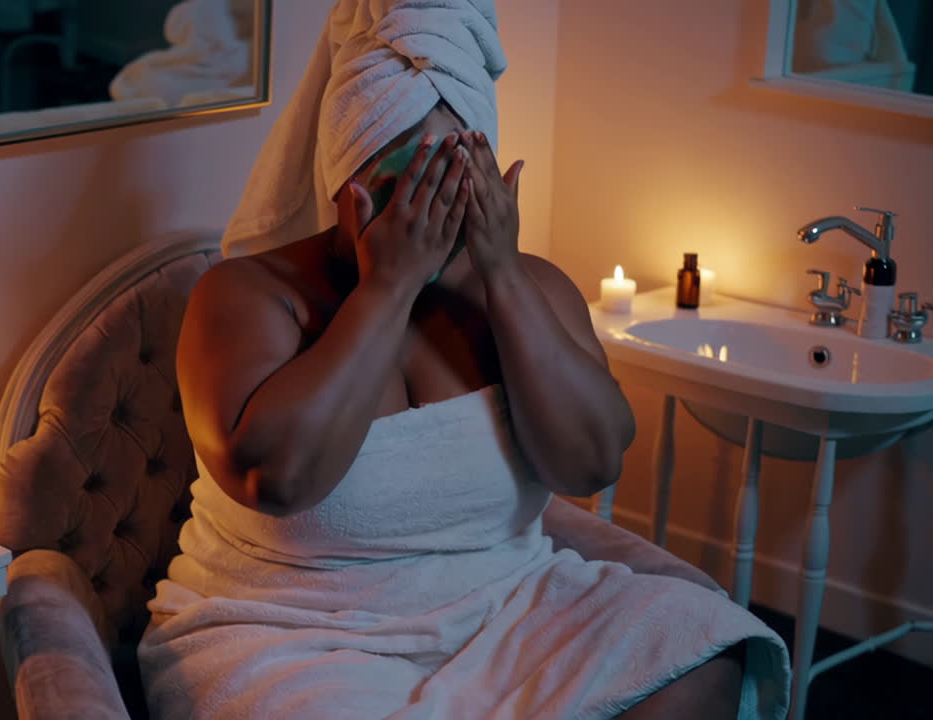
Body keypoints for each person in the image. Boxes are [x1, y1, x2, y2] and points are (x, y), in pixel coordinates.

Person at [138, 2, 791, 718]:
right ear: (345, 188)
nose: (432, 212)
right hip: (291, 630)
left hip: (503, 607)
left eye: (453, 179)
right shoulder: (250, 294)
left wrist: (503, 273)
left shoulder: (529, 287)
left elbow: (593, 463)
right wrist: (386, 288)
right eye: (402, 188)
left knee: (703, 652)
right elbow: (276, 478)